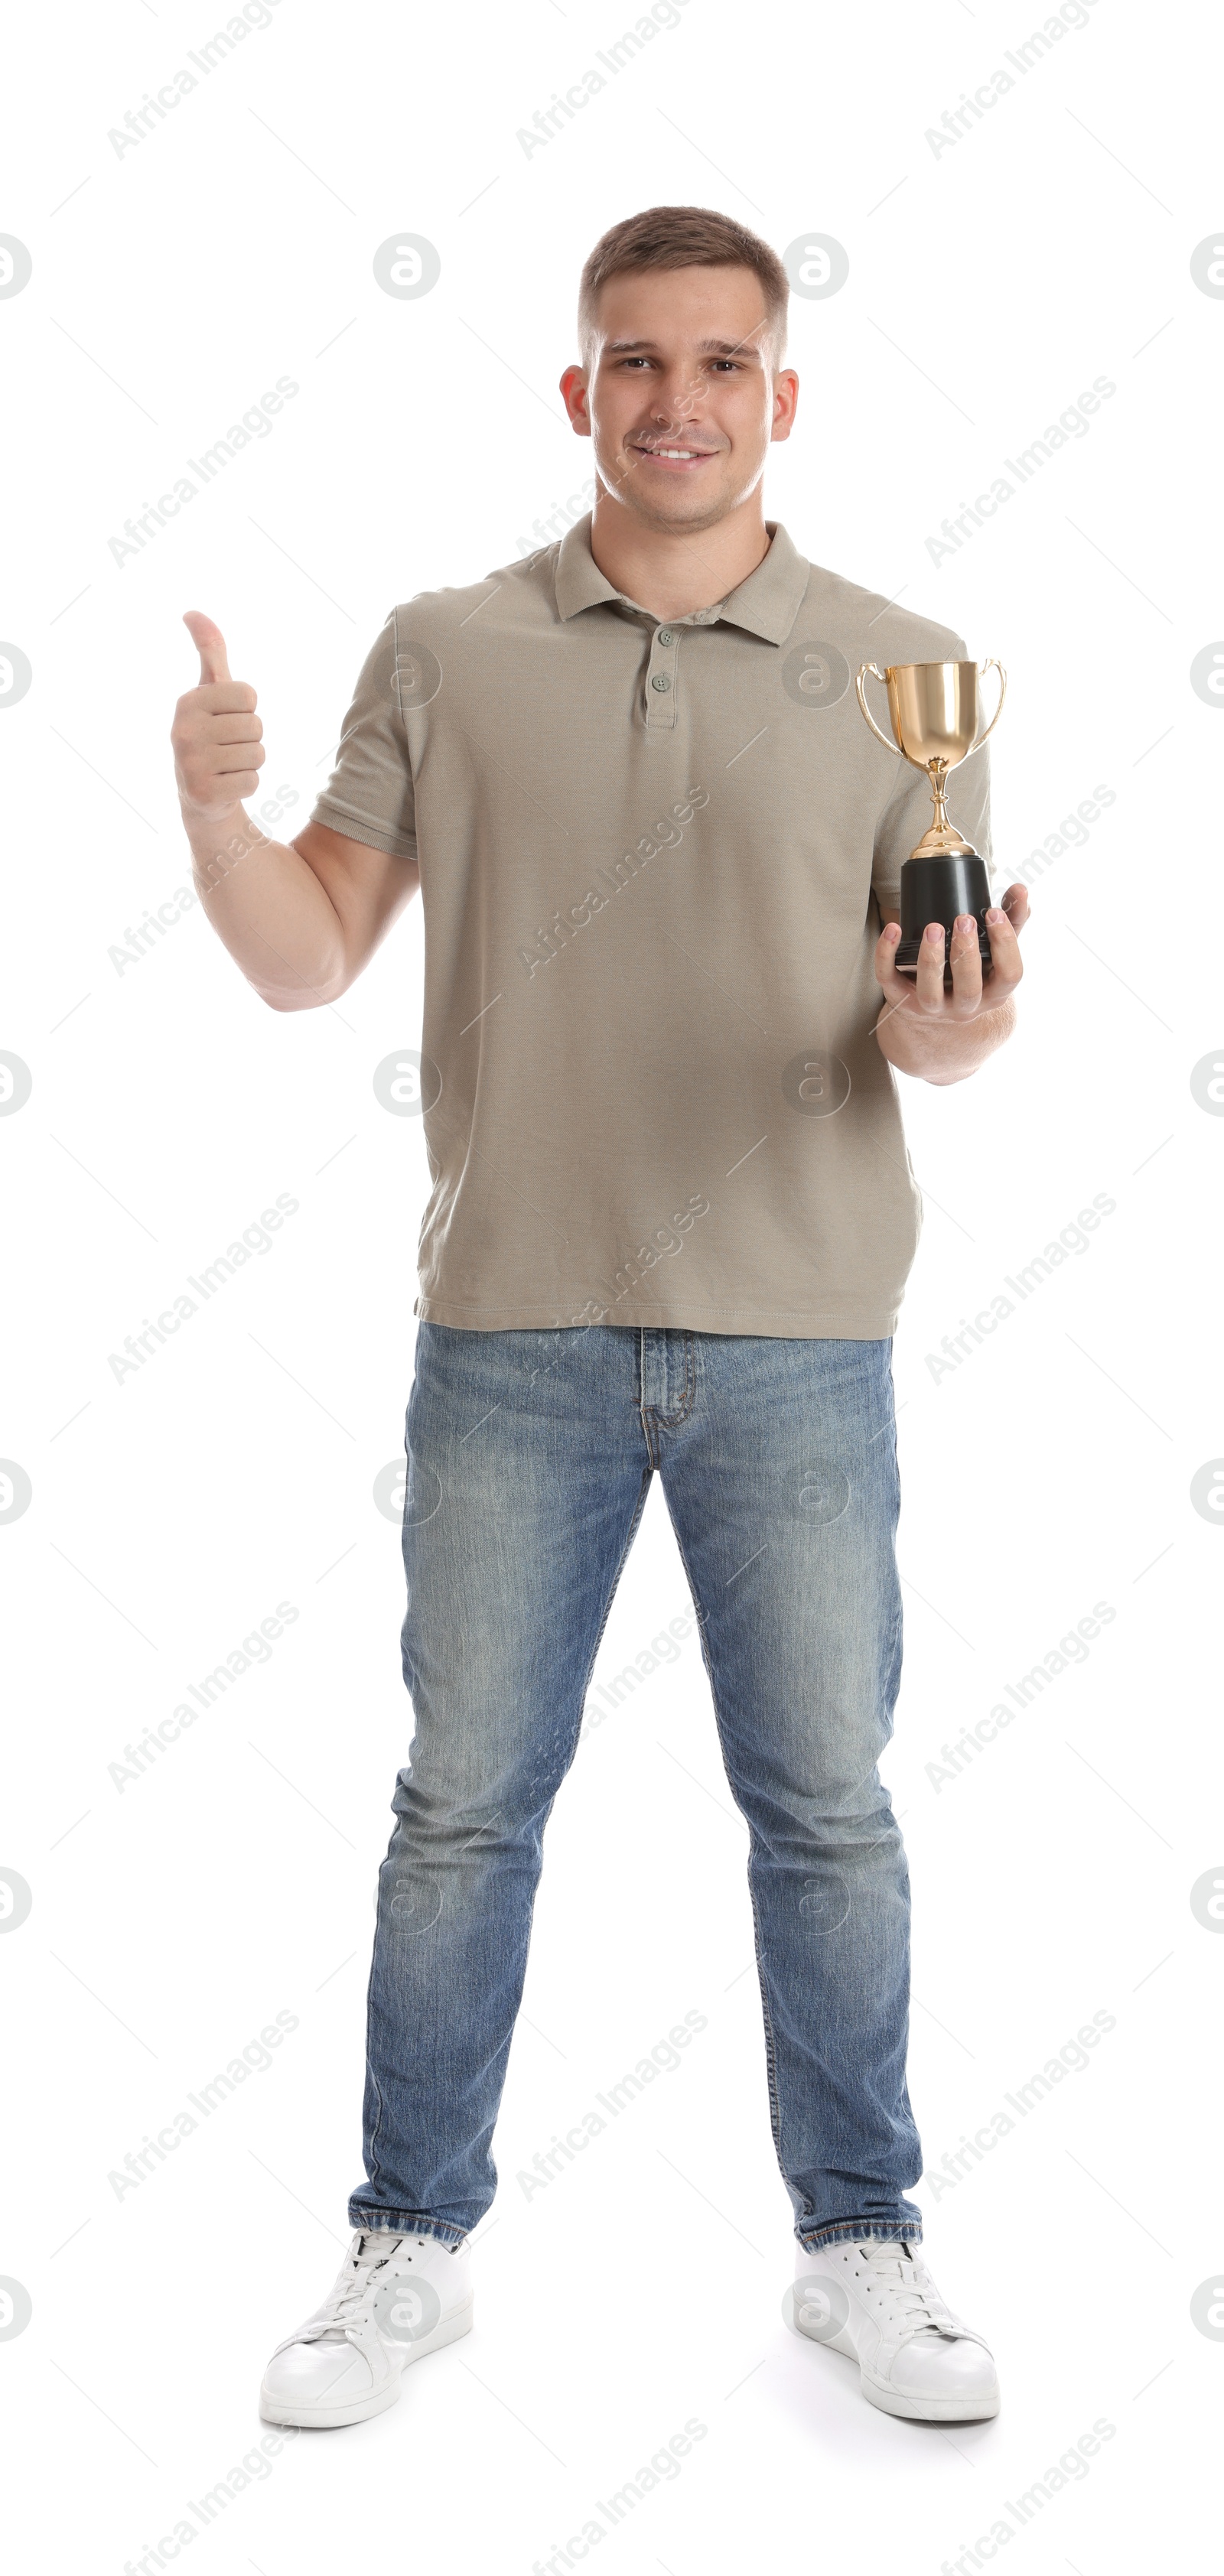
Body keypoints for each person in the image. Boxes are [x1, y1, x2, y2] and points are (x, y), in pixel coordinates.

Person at [170, 204, 1026, 2431]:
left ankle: (863, 2240)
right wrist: (212, 807)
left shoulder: (904, 667)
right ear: (580, 392)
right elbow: (299, 958)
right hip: (514, 1326)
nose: (677, 402)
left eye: (720, 366)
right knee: (464, 1802)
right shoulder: (447, 649)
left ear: (779, 397)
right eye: (635, 364)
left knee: (824, 1804)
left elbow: (925, 1040)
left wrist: (964, 1029)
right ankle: (405, 2242)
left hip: (799, 1332)